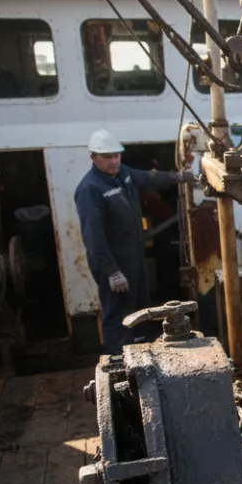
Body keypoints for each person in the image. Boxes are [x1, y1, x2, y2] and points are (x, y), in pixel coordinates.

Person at [74, 129, 193, 354]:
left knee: (139, 309)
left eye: (116, 155)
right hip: (115, 265)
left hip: (133, 259)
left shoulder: (122, 174)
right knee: (118, 315)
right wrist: (112, 272)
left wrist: (177, 177)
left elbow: (148, 178)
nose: (114, 161)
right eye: (107, 157)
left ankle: (140, 353)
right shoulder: (90, 189)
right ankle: (117, 360)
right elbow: (94, 238)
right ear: (93, 158)